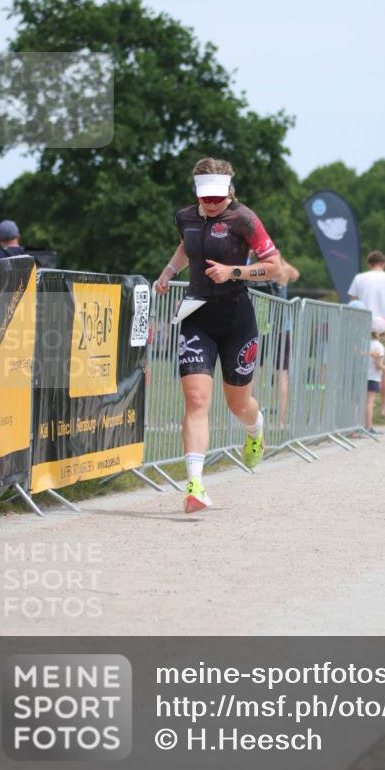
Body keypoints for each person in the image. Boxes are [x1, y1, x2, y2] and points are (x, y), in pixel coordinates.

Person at [155, 158, 282, 513]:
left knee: (237, 404)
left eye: (217, 197)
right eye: (204, 197)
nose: (211, 204)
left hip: (237, 317)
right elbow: (186, 247)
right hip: (197, 315)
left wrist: (234, 271)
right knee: (196, 401)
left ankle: (256, 430)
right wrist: (167, 272)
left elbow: (275, 266)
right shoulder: (185, 217)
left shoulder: (244, 218)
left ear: (229, 189)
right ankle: (195, 485)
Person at [348, 250, 385, 419]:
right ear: (384, 263)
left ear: (368, 264)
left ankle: (361, 405)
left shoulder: (360, 278)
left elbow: (352, 301)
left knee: (361, 366)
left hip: (364, 325)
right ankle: (384, 408)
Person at [250, 252, 300, 429]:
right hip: (280, 325)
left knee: (254, 371)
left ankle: (252, 418)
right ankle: (280, 422)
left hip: (258, 322)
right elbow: (296, 274)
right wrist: (280, 257)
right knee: (282, 375)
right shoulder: (281, 271)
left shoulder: (251, 271)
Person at [365, 317, 385, 434]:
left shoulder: (363, 343)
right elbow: (377, 365)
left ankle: (356, 426)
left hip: (361, 376)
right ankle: (368, 427)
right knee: (370, 402)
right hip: (372, 377)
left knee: (359, 403)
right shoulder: (379, 346)